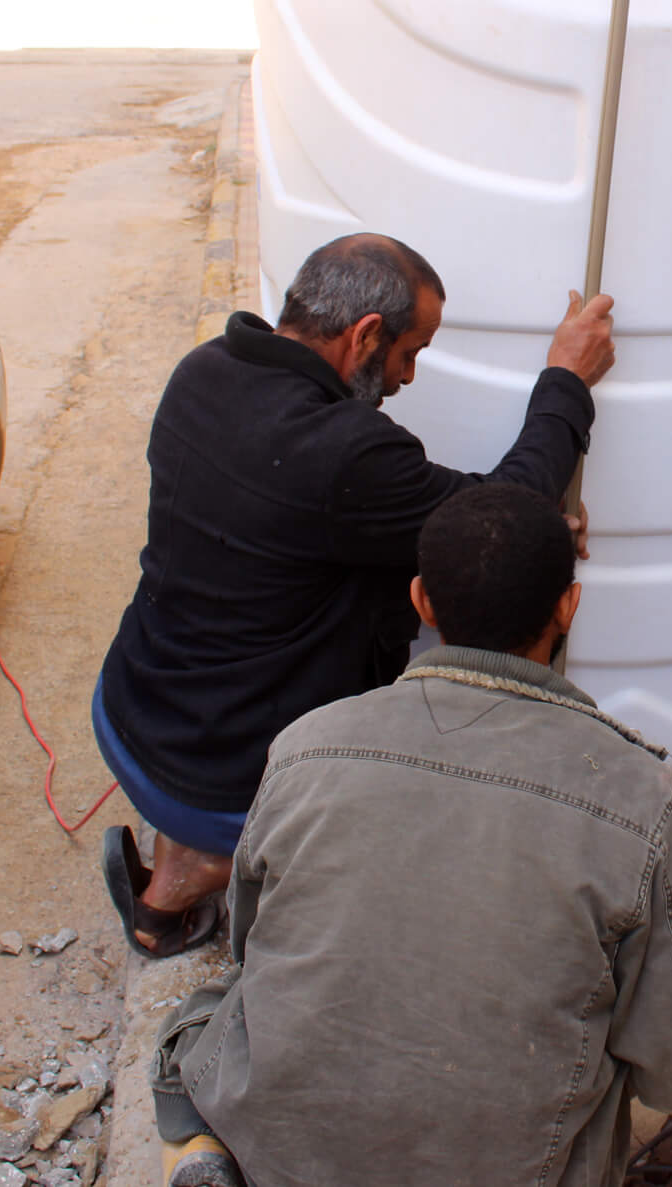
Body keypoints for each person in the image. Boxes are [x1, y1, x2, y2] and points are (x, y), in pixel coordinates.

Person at [149, 482, 672, 1187]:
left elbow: (254, 946)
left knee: (201, 1025)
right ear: (568, 607)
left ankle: (211, 1158)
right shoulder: (641, 800)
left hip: (286, 1160)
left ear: (422, 600)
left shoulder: (307, 747)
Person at [94, 233, 616, 956]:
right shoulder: (345, 452)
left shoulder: (203, 372)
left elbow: (316, 521)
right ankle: (218, 863)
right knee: (436, 776)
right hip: (219, 771)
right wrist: (566, 378)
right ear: (366, 334)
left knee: (370, 581)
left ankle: (181, 864)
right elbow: (504, 507)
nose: (406, 378)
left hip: (134, 711)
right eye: (410, 354)